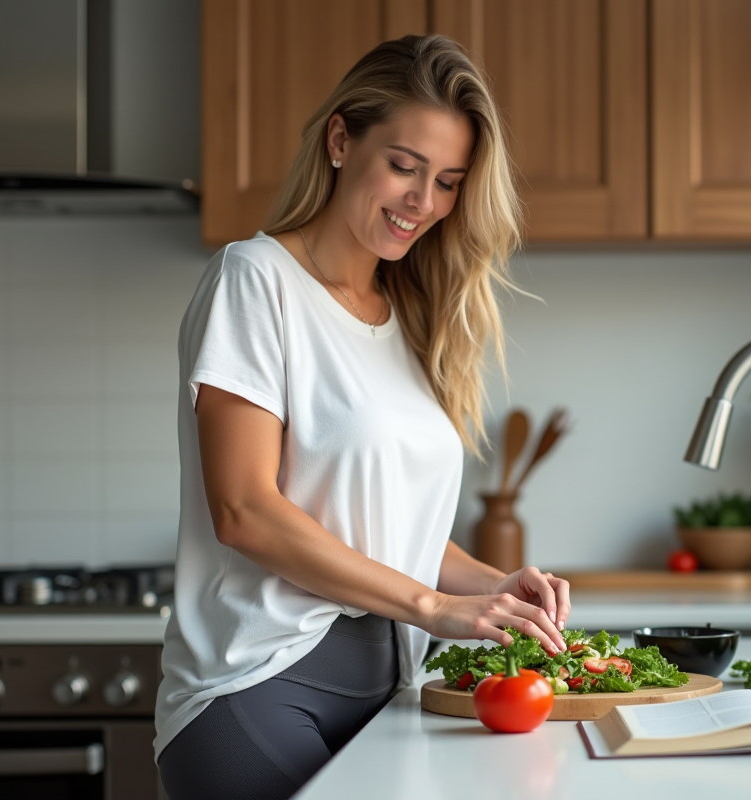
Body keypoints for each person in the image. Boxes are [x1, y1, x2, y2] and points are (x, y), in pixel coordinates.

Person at [155, 34, 571, 800]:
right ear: (342, 139)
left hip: (385, 692)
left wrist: (494, 586)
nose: (423, 201)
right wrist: (435, 604)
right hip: (255, 690)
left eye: (447, 181)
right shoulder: (255, 280)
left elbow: (385, 524)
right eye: (405, 166)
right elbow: (244, 510)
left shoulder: (409, 316)